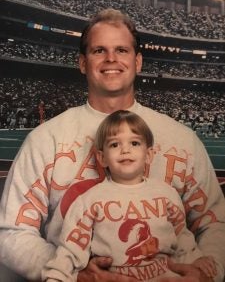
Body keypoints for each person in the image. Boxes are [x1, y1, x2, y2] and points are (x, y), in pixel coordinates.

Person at [0, 8, 225, 282]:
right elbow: (12, 231)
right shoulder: (45, 139)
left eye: (121, 50)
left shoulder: (182, 139)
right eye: (98, 51)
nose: (111, 59)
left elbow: (216, 223)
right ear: (82, 63)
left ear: (138, 61)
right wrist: (72, 272)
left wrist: (206, 270)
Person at [42, 110, 217, 282]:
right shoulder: (89, 200)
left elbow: (181, 239)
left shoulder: (167, 194)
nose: (125, 149)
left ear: (148, 155)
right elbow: (70, 250)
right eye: (114, 144)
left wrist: (197, 260)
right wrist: (57, 277)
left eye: (134, 143)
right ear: (102, 158)